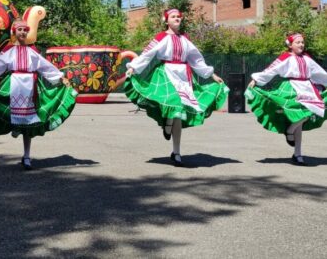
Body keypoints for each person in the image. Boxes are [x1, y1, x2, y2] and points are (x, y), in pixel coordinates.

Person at [0, 18, 77, 170]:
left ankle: (26, 156)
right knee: (5, 111)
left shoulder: (32, 52)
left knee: (29, 123)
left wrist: (60, 78)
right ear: (14, 32)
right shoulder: (9, 52)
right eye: (20, 30)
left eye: (25, 30)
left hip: (30, 88)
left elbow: (45, 66)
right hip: (13, 86)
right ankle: (16, 128)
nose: (23, 32)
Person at [125, 8, 228, 166]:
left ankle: (176, 152)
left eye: (179, 17)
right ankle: (167, 125)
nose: (177, 19)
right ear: (166, 20)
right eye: (173, 17)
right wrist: (133, 67)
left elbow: (196, 59)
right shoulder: (161, 37)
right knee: (175, 104)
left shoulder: (185, 38)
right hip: (166, 74)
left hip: (184, 76)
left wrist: (211, 75)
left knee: (178, 113)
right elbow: (147, 54)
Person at [246, 33, 327, 166]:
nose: (301, 44)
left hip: (307, 88)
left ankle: (290, 132)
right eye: (298, 42)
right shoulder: (286, 57)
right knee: (300, 118)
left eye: (302, 42)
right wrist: (256, 79)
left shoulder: (307, 58)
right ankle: (298, 154)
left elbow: (319, 72)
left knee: (310, 112)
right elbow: (272, 69)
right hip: (292, 87)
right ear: (290, 45)